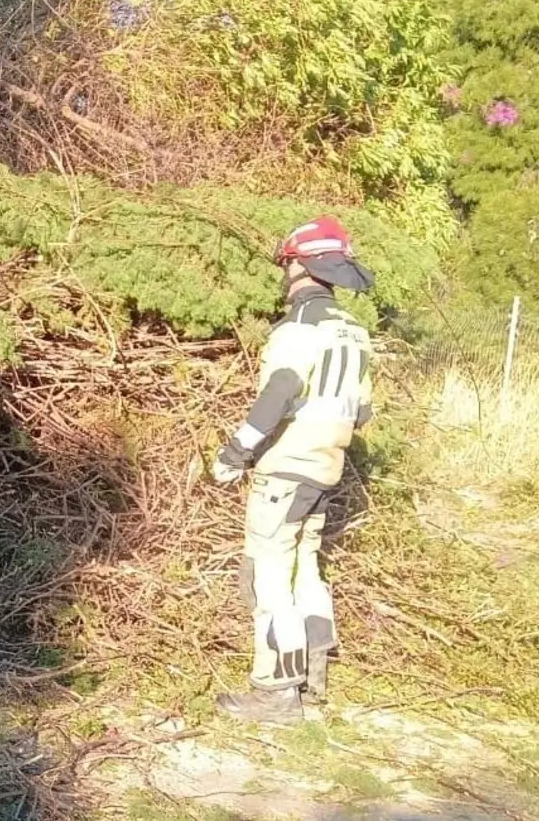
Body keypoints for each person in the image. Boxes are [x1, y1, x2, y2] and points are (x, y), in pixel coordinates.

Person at [210, 215, 375, 724]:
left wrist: (235, 452)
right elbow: (363, 411)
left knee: (268, 575)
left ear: (299, 266)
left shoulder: (299, 329)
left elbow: (279, 393)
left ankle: (276, 692)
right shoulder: (353, 330)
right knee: (306, 564)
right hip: (328, 467)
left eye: (286, 266)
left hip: (286, 469)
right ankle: (315, 672)